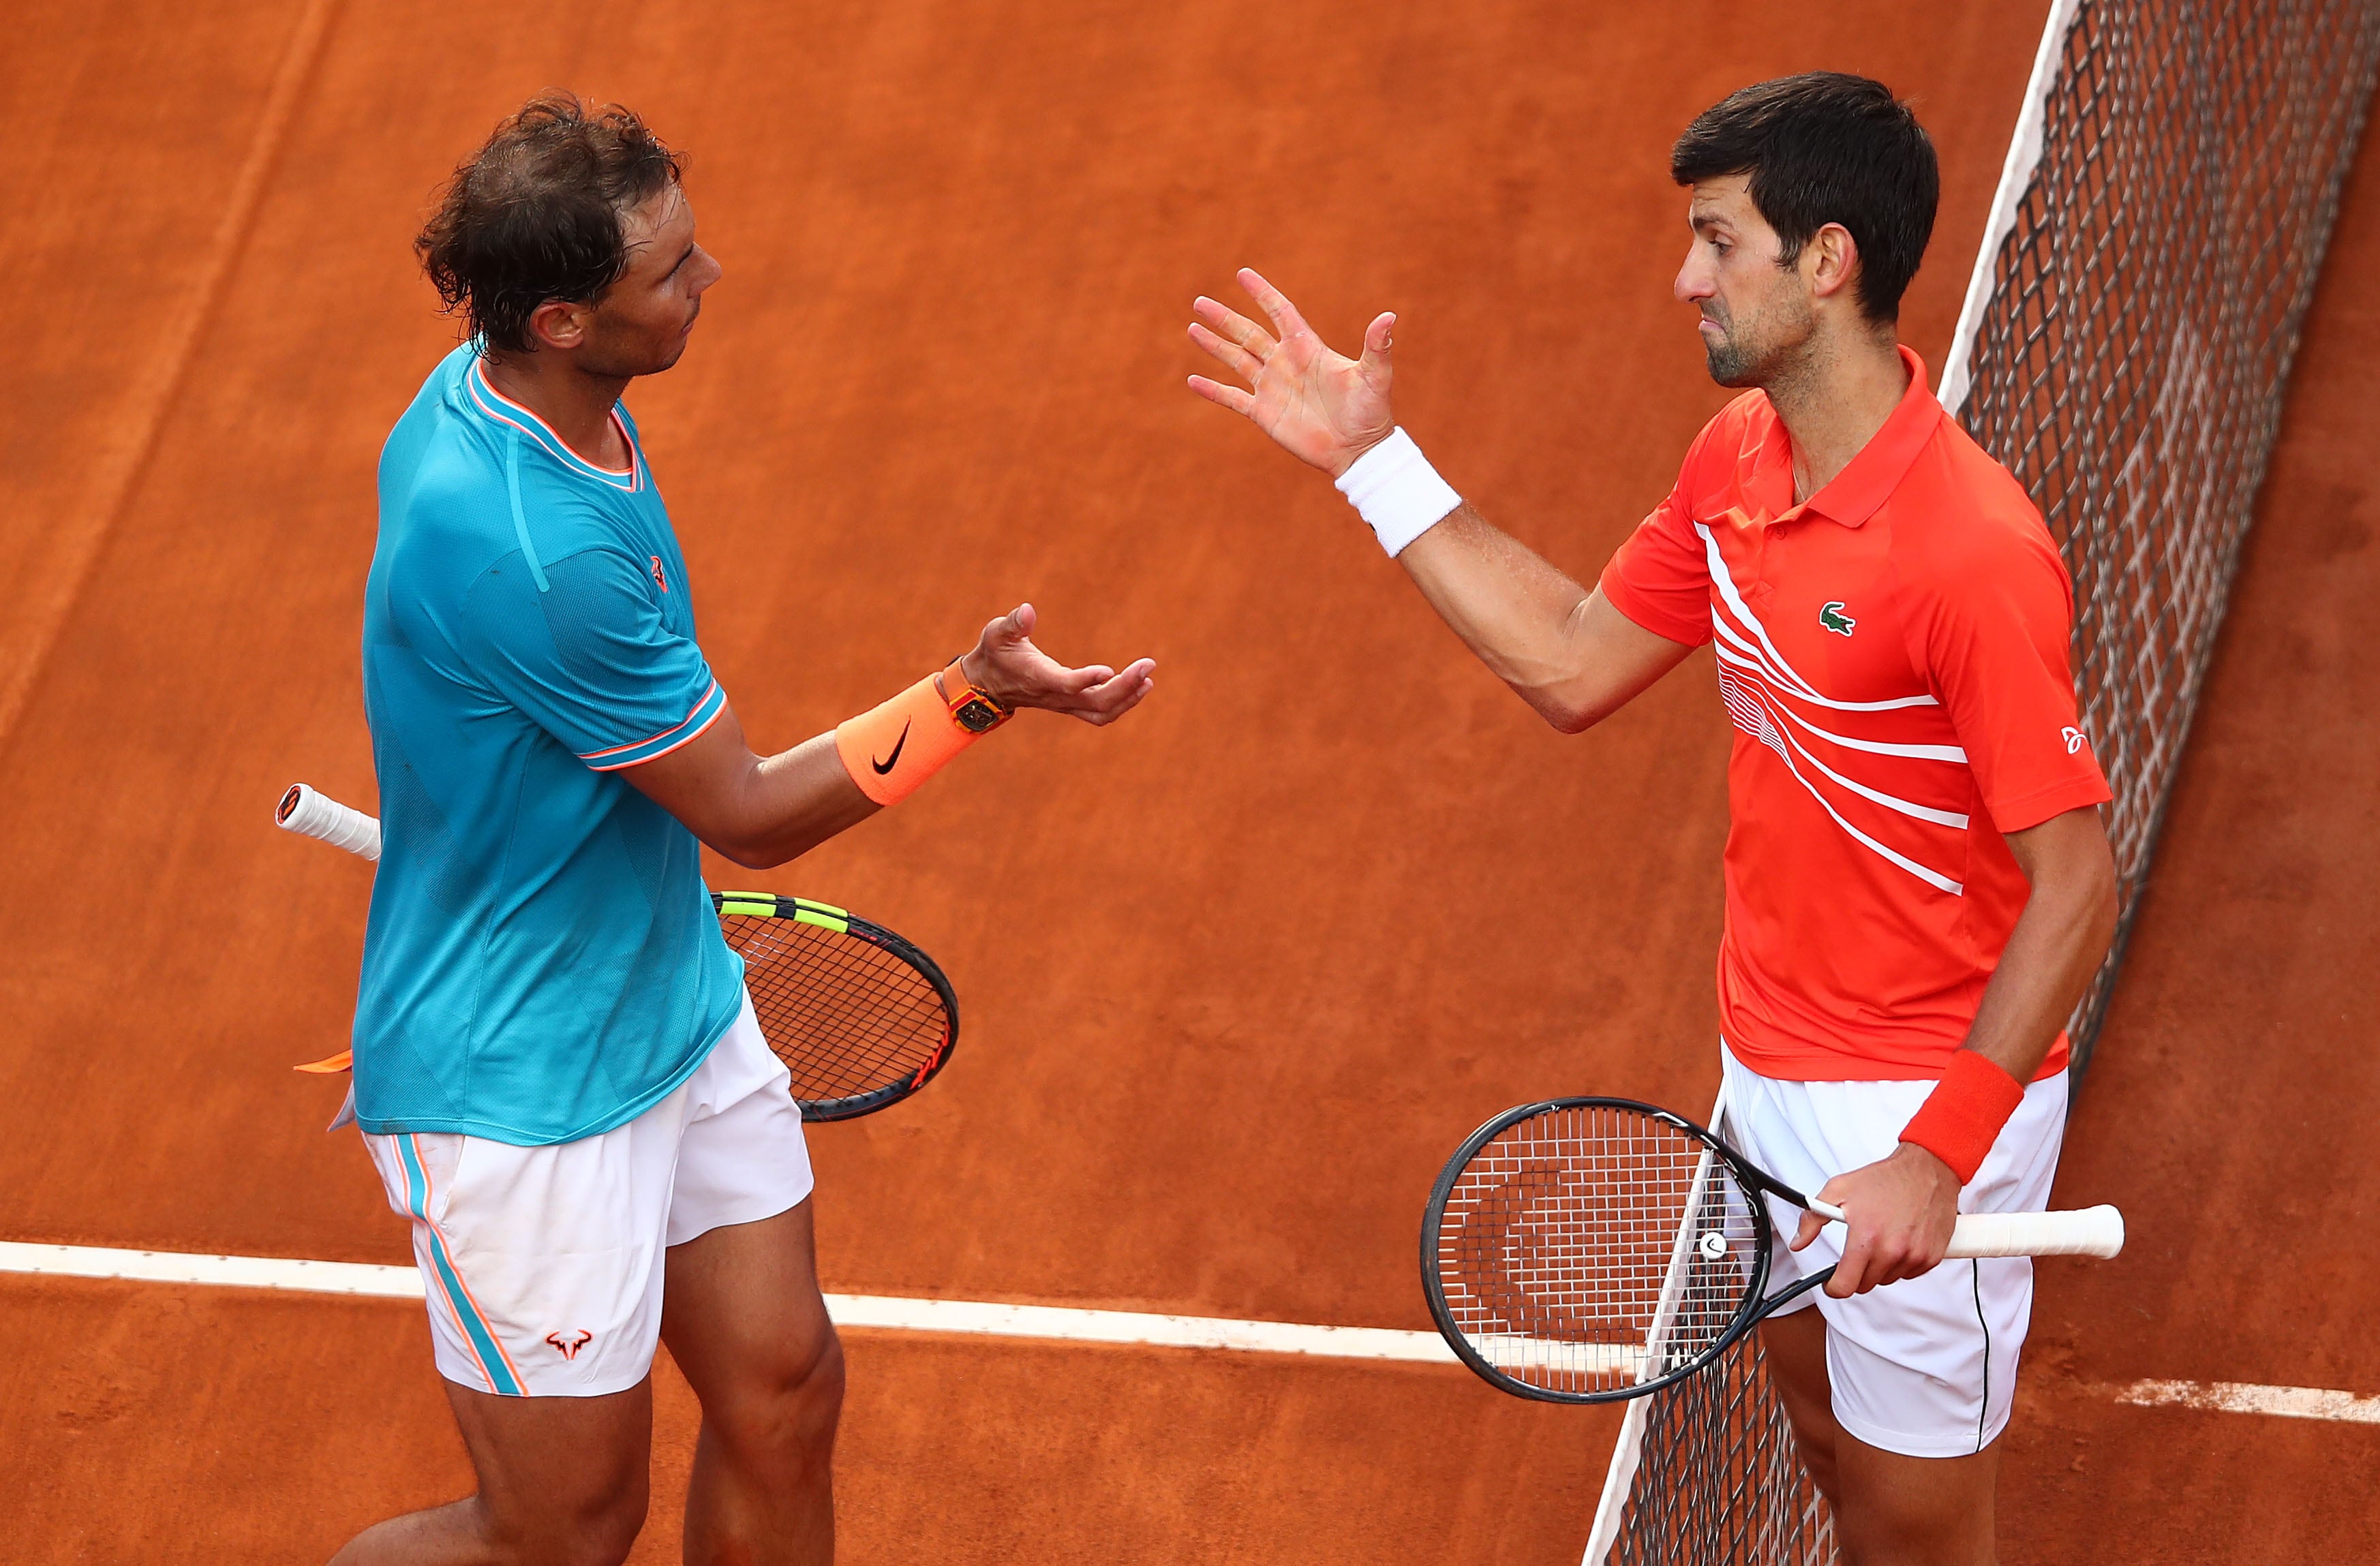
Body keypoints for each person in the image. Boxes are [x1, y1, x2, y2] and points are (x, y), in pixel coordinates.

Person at [1187, 72, 2116, 1566]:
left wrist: (1937, 1156)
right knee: (1818, 1437)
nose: (1685, 277)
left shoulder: (1973, 557)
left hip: (1917, 1100)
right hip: (1769, 1065)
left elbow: (2077, 887)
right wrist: (1373, 461)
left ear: (1828, 262)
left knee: (1919, 1537)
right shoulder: (1740, 459)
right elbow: (1571, 658)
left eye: (1719, 242)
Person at [337, 94, 1153, 1566]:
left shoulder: (511, 385)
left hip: (669, 1005)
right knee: (559, 1535)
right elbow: (754, 816)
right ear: (568, 319)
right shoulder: (536, 550)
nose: (707, 283)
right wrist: (969, 697)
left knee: (783, 1394)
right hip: (526, 1090)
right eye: (672, 273)